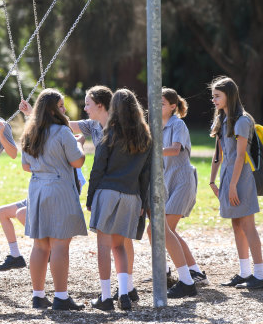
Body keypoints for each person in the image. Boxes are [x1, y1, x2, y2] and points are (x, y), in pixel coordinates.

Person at [21, 88, 87, 311]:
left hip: (37, 187)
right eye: (60, 106)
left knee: (40, 245)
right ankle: (61, 296)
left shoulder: (30, 132)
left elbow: (26, 166)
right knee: (60, 243)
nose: (64, 109)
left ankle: (38, 296)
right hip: (59, 187)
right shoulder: (62, 131)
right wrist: (79, 143)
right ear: (51, 109)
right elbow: (78, 162)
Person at [86, 88, 152, 311]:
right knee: (120, 246)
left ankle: (106, 297)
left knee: (103, 246)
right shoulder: (145, 135)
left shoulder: (110, 133)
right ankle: (124, 293)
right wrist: (143, 202)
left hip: (108, 191)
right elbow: (146, 174)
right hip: (132, 195)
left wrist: (90, 196)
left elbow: (98, 168)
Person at [209, 76, 263, 289]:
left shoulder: (242, 120)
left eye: (217, 96)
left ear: (229, 95)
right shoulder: (222, 119)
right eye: (212, 96)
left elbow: (240, 156)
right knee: (236, 223)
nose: (213, 100)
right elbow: (219, 153)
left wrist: (232, 185)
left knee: (248, 225)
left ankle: (259, 275)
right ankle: (244, 272)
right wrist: (213, 181)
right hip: (228, 176)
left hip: (241, 178)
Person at [160, 88, 208, 285]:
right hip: (167, 182)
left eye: (161, 103)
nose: (155, 106)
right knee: (160, 230)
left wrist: (149, 149)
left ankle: (188, 274)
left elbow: (174, 149)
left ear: (173, 106)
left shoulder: (177, 124)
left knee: (163, 230)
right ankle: (187, 271)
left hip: (182, 181)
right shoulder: (155, 126)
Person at [0, 200, 27, 271]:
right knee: (2, 212)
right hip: (34, 196)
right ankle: (15, 256)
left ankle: (47, 248)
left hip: (47, 197)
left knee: (21, 213)